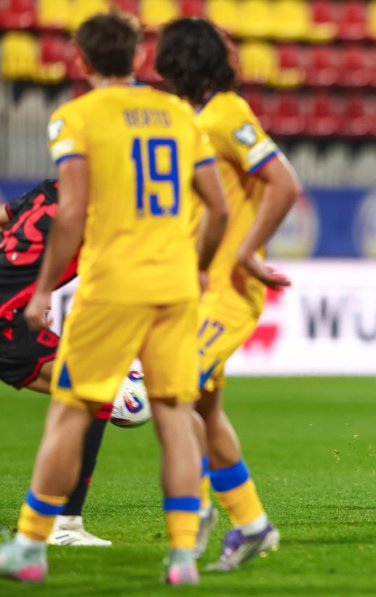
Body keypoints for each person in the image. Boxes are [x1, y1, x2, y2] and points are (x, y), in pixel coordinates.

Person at [0, 11, 228, 585]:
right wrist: (198, 269)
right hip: (174, 281)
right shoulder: (178, 115)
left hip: (113, 283)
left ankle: (31, 543)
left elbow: (73, 211)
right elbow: (219, 208)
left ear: (82, 60)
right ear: (138, 57)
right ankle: (182, 556)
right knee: (173, 415)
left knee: (75, 409)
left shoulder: (76, 117)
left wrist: (45, 288)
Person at [155, 17, 301, 570]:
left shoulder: (228, 114)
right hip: (192, 287)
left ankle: (193, 515)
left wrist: (246, 250)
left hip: (226, 292)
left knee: (173, 397)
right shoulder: (193, 119)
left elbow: (284, 184)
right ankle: (252, 525)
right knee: (207, 412)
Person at [0, 179, 113, 547]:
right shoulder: (96, 210)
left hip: (11, 315)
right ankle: (63, 521)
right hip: (7, 322)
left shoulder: (48, 190)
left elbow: (3, 217)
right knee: (90, 393)